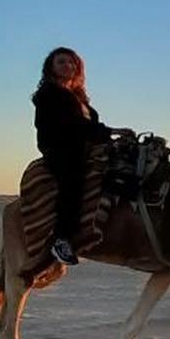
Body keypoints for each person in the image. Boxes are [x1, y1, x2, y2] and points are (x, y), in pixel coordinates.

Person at [33, 46, 115, 266]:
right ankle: (61, 239)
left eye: (71, 62)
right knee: (73, 185)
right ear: (51, 67)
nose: (67, 65)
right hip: (61, 150)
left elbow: (90, 126)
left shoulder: (78, 97)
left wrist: (109, 136)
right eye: (61, 62)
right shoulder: (48, 95)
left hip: (85, 147)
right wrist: (110, 131)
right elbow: (73, 125)